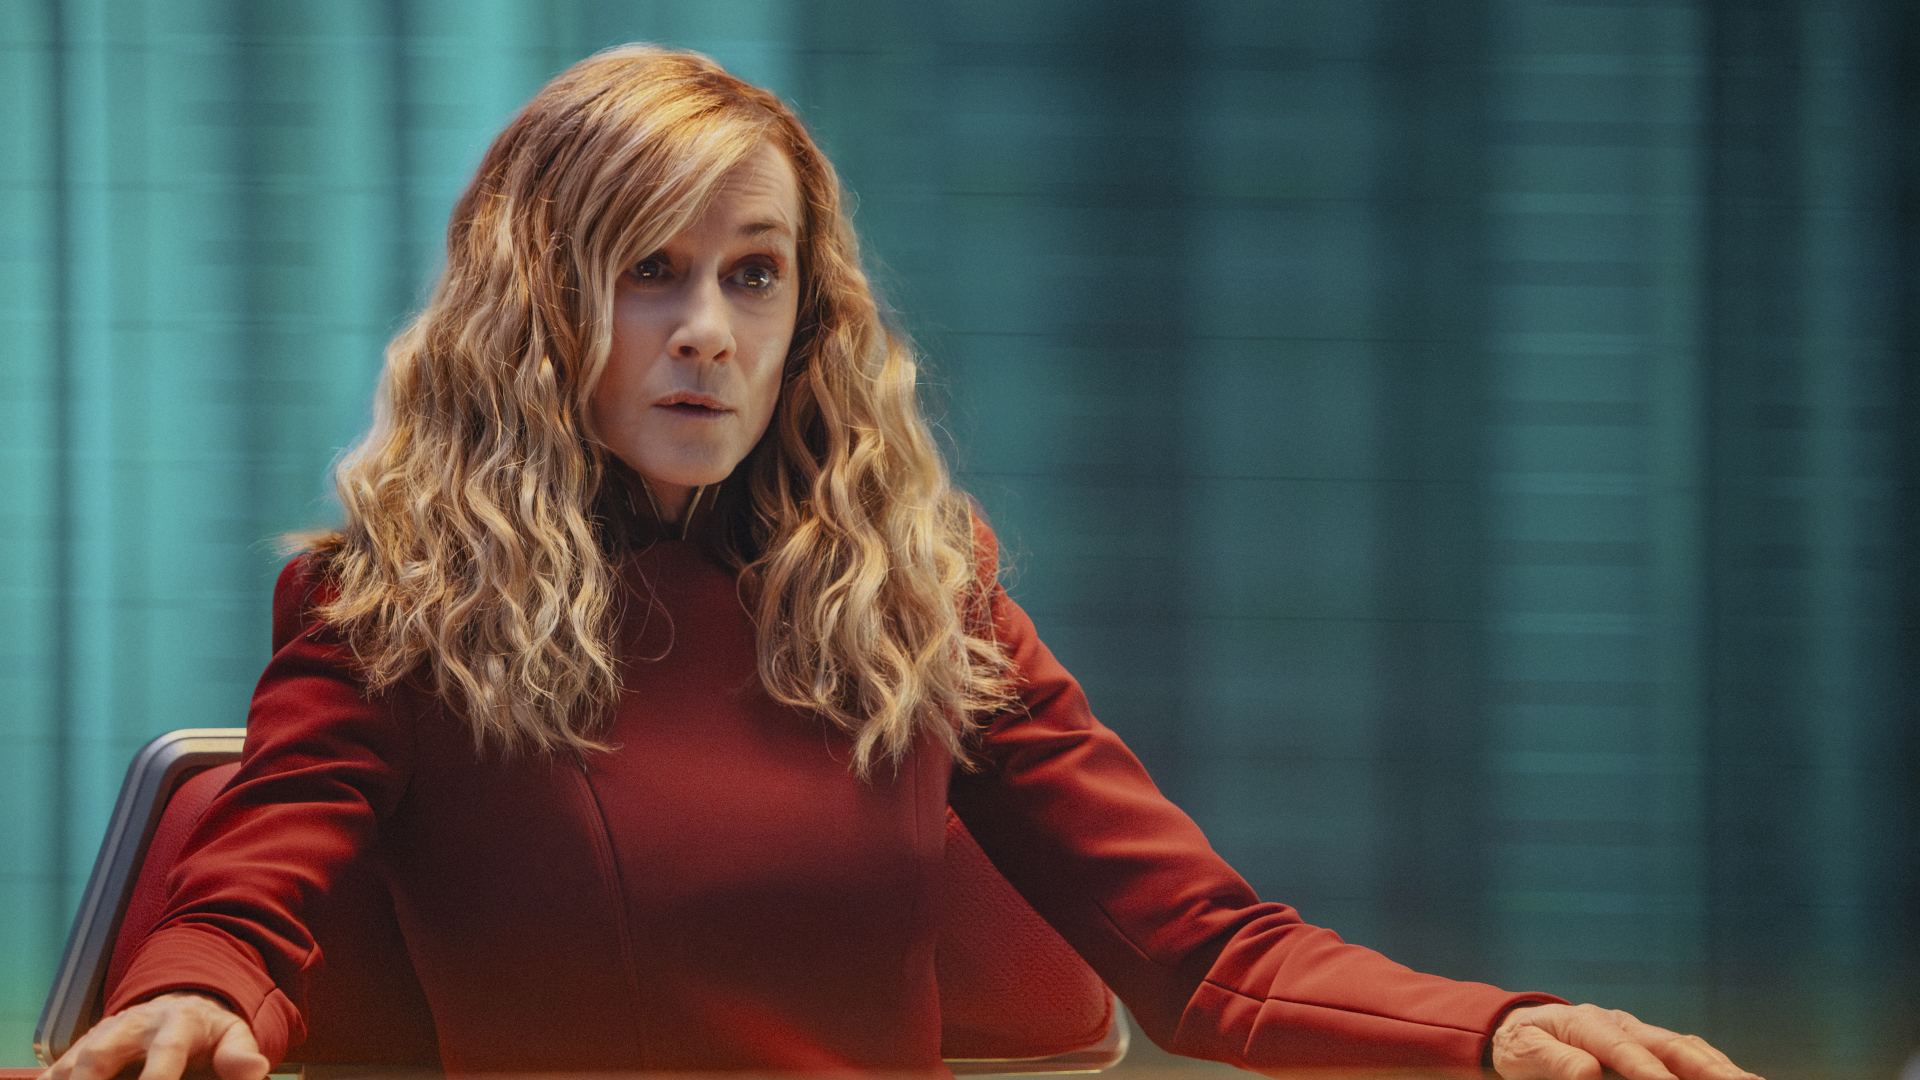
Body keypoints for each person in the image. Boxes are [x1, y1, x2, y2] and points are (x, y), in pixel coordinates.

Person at [43, 45, 1760, 1080]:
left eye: (755, 273)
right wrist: (197, 999)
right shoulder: (394, 601)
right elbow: (249, 904)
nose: (709, 332)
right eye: (648, 271)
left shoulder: (917, 592)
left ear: (808, 310)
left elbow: (1206, 954)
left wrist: (1497, 1034)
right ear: (535, 300)